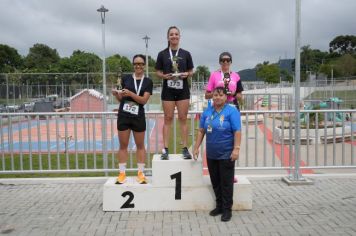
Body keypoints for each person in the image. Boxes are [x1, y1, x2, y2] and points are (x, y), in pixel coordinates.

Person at [193, 87, 242, 222]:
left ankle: (227, 210)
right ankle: (219, 206)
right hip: (211, 154)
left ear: (226, 97)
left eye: (220, 95)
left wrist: (236, 149)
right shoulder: (207, 112)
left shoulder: (232, 111)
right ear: (212, 96)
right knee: (215, 182)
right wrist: (196, 147)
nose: (217, 98)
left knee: (226, 183)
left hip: (226, 154)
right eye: (215, 95)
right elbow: (201, 130)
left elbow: (237, 131)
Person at [112, 54, 153, 184]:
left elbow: (143, 100)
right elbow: (121, 99)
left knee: (140, 146)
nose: (138, 66)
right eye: (136, 63)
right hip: (124, 115)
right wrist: (116, 95)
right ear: (133, 65)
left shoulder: (148, 82)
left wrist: (130, 93)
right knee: (123, 146)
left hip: (138, 116)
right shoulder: (125, 79)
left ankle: (140, 173)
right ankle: (122, 173)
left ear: (144, 65)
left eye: (141, 63)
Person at [155, 26, 194, 160]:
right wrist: (164, 76)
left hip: (183, 89)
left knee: (183, 118)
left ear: (179, 37)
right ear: (168, 37)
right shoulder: (162, 54)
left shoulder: (186, 53)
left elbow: (191, 71)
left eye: (176, 34)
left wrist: (186, 74)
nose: (174, 36)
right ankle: (165, 149)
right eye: (171, 34)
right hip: (168, 90)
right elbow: (158, 71)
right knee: (168, 118)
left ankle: (184, 148)